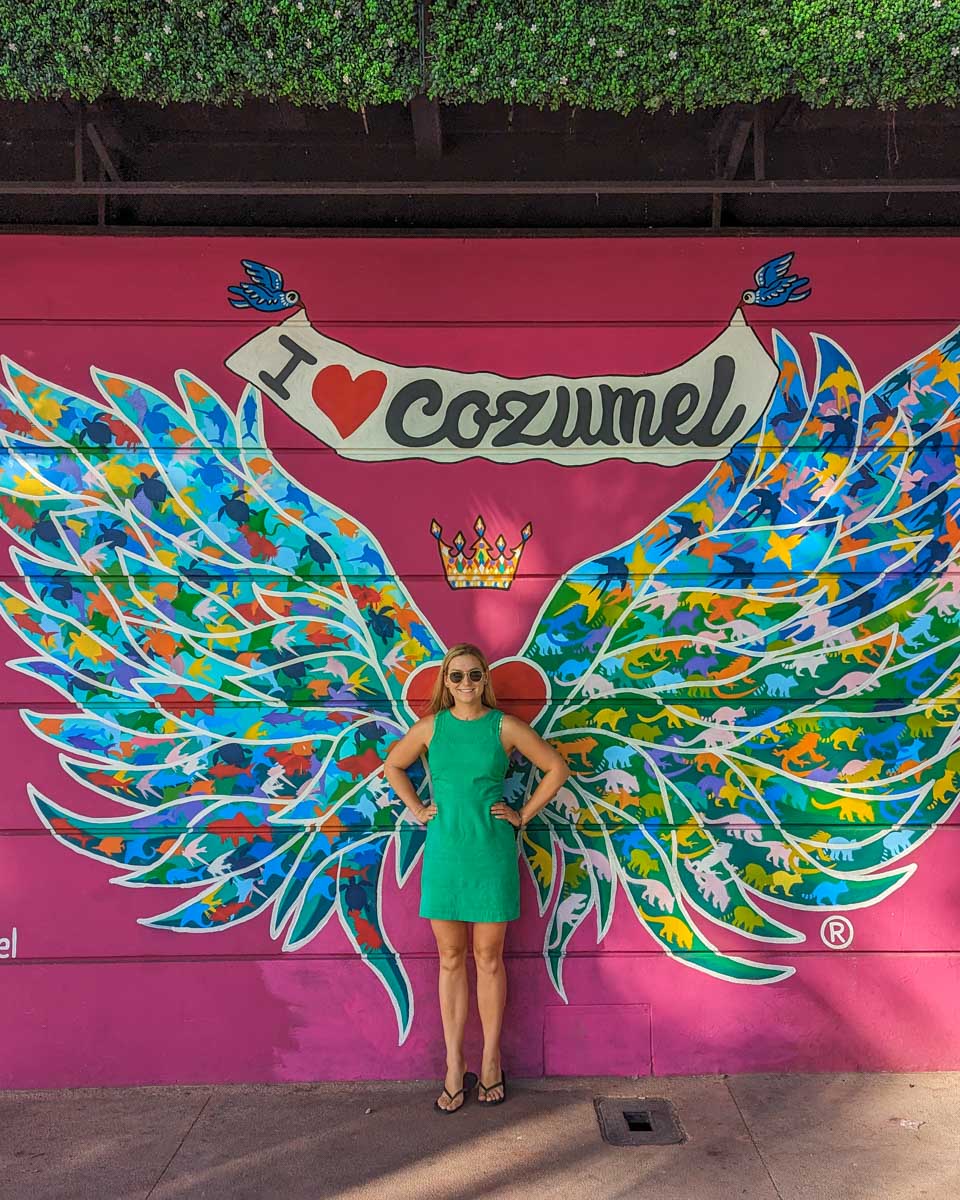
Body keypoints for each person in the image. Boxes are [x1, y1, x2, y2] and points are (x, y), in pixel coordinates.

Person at [384, 642, 570, 1113]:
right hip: (445, 855)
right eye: (456, 676)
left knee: (488, 958)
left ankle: (490, 1060)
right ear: (445, 682)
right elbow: (393, 766)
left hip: (490, 853)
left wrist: (522, 815)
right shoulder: (430, 729)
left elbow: (555, 768)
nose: (465, 683)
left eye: (473, 675)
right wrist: (417, 809)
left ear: (484, 679)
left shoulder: (503, 727)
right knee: (450, 959)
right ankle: (453, 1064)